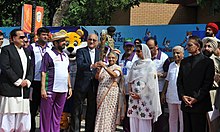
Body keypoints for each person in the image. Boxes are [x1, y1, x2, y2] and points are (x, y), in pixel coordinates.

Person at [177, 36, 215, 132]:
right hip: (186, 104)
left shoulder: (207, 62)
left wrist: (196, 98)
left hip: (200, 104)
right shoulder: (184, 62)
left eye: (190, 45)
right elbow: (179, 81)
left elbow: (207, 83)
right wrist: (182, 96)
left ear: (197, 46)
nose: (187, 47)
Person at [0, 29, 33, 131]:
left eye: (24, 37)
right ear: (14, 38)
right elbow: (6, 67)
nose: (24, 39)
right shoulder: (7, 50)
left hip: (24, 90)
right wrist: (18, 81)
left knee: (23, 118)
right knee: (8, 118)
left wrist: (27, 81)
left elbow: (31, 68)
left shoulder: (27, 51)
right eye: (21, 37)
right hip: (10, 88)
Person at [40, 31, 72, 132]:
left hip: (63, 90)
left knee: (58, 115)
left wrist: (69, 87)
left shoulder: (66, 56)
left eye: (64, 41)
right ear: (55, 43)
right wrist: (43, 89)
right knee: (46, 115)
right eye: (62, 41)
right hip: (50, 88)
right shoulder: (48, 54)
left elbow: (67, 72)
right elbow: (43, 72)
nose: (64, 43)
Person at [127, 44, 161, 132]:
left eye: (139, 51)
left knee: (143, 118)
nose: (137, 53)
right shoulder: (135, 63)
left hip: (145, 97)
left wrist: (141, 95)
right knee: (134, 117)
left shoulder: (150, 64)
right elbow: (130, 78)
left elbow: (151, 83)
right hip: (133, 96)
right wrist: (130, 91)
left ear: (144, 51)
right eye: (136, 51)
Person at [70, 34, 100, 132]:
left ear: (97, 42)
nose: (91, 42)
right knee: (77, 110)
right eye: (90, 40)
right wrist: (92, 65)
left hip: (94, 85)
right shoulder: (80, 51)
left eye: (94, 40)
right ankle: (75, 130)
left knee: (91, 110)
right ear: (87, 40)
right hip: (81, 84)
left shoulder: (99, 53)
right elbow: (80, 64)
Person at [27, 27, 52, 132]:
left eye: (47, 35)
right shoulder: (32, 47)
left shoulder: (50, 48)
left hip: (46, 83)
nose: (45, 37)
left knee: (46, 109)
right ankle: (31, 129)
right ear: (38, 36)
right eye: (43, 35)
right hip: (35, 82)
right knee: (32, 109)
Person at [94, 51, 125, 131]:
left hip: (111, 92)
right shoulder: (105, 67)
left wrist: (104, 66)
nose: (111, 59)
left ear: (116, 59)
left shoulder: (117, 67)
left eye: (113, 58)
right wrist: (98, 70)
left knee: (109, 113)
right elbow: (97, 78)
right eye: (109, 57)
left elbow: (114, 75)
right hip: (101, 91)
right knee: (101, 112)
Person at [146, 37, 170, 132]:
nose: (149, 50)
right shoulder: (145, 57)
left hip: (159, 90)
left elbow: (168, 74)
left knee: (159, 114)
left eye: (151, 48)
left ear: (156, 46)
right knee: (148, 113)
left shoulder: (164, 58)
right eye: (148, 48)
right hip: (147, 91)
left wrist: (158, 75)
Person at [161, 46, 184, 132]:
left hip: (182, 97)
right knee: (172, 119)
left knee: (182, 120)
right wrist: (163, 93)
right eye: (174, 53)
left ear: (182, 54)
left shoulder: (186, 64)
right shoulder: (171, 65)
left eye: (178, 53)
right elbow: (167, 80)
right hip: (171, 96)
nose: (175, 55)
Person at [119, 39, 139, 132]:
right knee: (124, 110)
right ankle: (126, 129)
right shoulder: (120, 57)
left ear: (133, 47)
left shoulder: (136, 58)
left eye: (130, 46)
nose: (129, 48)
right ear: (124, 47)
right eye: (127, 46)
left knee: (132, 111)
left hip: (133, 90)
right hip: (122, 89)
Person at [202, 37, 220, 132]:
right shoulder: (201, 61)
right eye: (205, 46)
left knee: (213, 121)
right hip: (203, 94)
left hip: (213, 93)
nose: (206, 48)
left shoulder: (216, 60)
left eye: (209, 46)